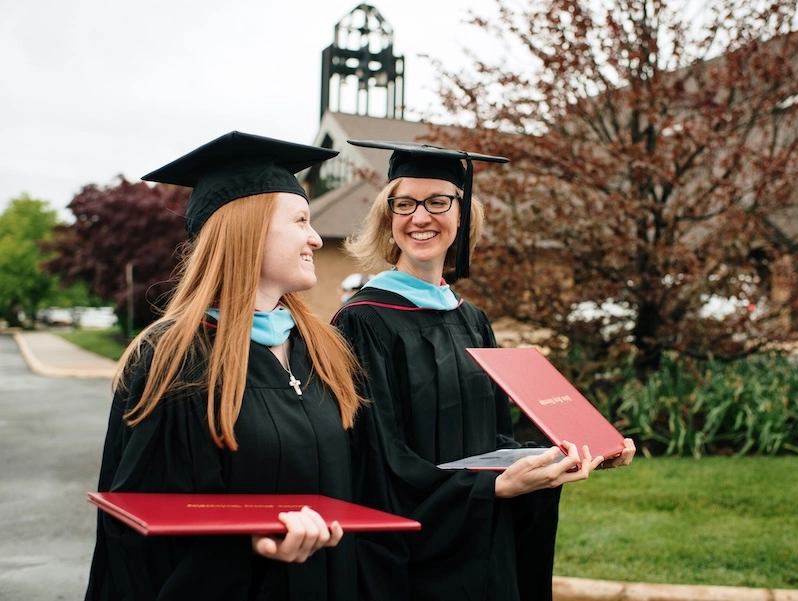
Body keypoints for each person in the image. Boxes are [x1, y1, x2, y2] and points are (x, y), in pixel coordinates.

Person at [332, 140, 636, 601]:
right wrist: (484, 490)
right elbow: (377, 462)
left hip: (484, 545)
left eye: (438, 202)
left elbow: (495, 439)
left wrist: (567, 454)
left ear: (461, 213)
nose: (420, 217)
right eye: (405, 203)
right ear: (387, 216)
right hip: (418, 560)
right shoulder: (363, 321)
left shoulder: (471, 319)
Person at [85, 131, 369, 601]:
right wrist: (249, 548)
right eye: (301, 220)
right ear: (249, 231)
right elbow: (142, 536)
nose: (316, 239)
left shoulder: (324, 351)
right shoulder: (175, 359)